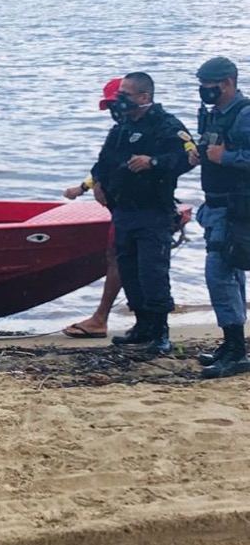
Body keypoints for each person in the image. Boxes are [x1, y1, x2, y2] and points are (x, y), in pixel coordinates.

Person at [92, 72, 196, 354]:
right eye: (119, 93)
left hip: (153, 212)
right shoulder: (122, 127)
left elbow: (188, 158)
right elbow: (103, 160)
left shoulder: (166, 125)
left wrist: (154, 162)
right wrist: (97, 182)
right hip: (123, 211)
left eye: (126, 94)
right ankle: (142, 326)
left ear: (144, 97)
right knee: (129, 270)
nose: (120, 99)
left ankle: (160, 333)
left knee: (152, 273)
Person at [190, 56, 250, 378]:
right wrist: (200, 154)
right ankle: (232, 345)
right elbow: (211, 149)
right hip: (215, 205)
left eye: (209, 85)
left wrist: (225, 157)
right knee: (231, 273)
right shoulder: (214, 114)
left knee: (220, 273)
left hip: (235, 207)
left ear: (227, 83)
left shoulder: (244, 114)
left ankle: (236, 349)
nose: (204, 91)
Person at [61, 78, 124, 339]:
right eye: (110, 107)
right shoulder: (120, 132)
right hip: (120, 208)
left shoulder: (152, 128)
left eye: (116, 105)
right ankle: (133, 316)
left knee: (121, 257)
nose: (114, 111)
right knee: (118, 256)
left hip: (138, 209)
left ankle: (102, 318)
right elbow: (104, 166)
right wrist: (84, 187)